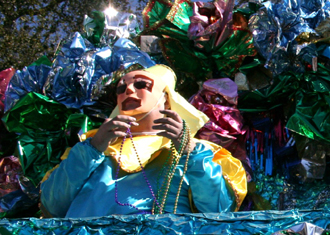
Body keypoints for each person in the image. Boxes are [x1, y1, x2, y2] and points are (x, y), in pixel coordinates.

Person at [41, 65, 247, 218]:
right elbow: (52, 206)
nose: (128, 91)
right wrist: (93, 148)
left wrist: (189, 152)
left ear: (165, 99)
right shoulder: (92, 149)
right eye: (121, 89)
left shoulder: (200, 152)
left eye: (141, 85)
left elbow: (219, 212)